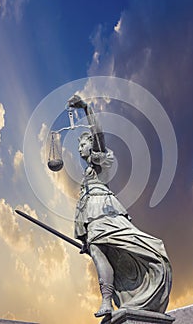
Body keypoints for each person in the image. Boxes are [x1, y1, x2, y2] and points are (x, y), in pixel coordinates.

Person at [68, 95, 172, 318]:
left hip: (105, 211)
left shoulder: (100, 160)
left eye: (82, 144)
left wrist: (86, 108)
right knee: (97, 252)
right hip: (91, 216)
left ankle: (113, 297)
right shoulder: (87, 175)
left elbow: (98, 135)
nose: (79, 149)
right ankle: (107, 300)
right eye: (79, 146)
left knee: (105, 249)